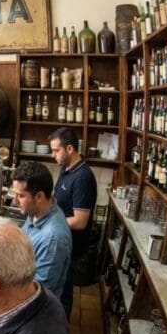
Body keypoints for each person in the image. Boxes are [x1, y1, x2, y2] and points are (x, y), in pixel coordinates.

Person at [12, 161, 72, 314]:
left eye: (20, 196)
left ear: (39, 196)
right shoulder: (37, 212)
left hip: (35, 313)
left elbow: (37, 294)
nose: (15, 201)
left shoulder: (53, 238)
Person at [49, 127, 97, 316]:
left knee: (63, 294)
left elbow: (80, 221)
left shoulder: (83, 177)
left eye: (56, 150)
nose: (53, 155)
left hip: (71, 247)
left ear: (69, 149)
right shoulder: (66, 168)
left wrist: (51, 222)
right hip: (61, 240)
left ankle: (61, 330)